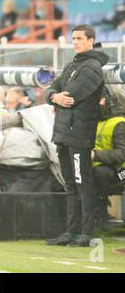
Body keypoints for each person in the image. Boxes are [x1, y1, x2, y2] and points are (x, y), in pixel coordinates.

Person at [44, 24, 109, 247]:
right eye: (73, 39)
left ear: (91, 40)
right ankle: (71, 232)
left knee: (83, 183)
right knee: (70, 184)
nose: (75, 42)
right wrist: (53, 97)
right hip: (63, 133)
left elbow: (72, 96)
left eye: (79, 38)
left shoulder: (92, 67)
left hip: (79, 134)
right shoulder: (73, 64)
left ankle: (86, 232)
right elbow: (51, 88)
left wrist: (57, 97)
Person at [92, 86, 125, 230]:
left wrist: (95, 155)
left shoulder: (120, 123)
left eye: (100, 99)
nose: (97, 103)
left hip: (121, 172)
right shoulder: (94, 121)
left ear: (111, 101)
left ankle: (101, 215)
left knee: (100, 174)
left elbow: (122, 154)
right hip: (99, 167)